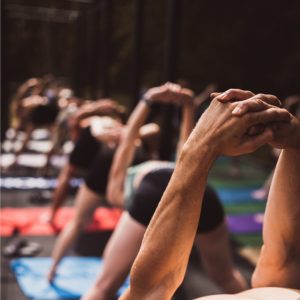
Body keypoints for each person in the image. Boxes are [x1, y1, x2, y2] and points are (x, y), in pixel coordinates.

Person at [119, 89, 300, 300]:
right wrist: (295, 147)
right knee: (276, 262)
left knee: (105, 285)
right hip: (196, 190)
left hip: (175, 185)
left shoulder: (121, 183)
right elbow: (284, 262)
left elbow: (149, 293)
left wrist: (201, 146)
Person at [81, 83, 248, 300]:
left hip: (156, 191)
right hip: (203, 193)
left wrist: (148, 99)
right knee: (225, 276)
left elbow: (129, 139)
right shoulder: (167, 165)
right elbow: (189, 149)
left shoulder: (119, 183)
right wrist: (188, 105)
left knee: (104, 286)